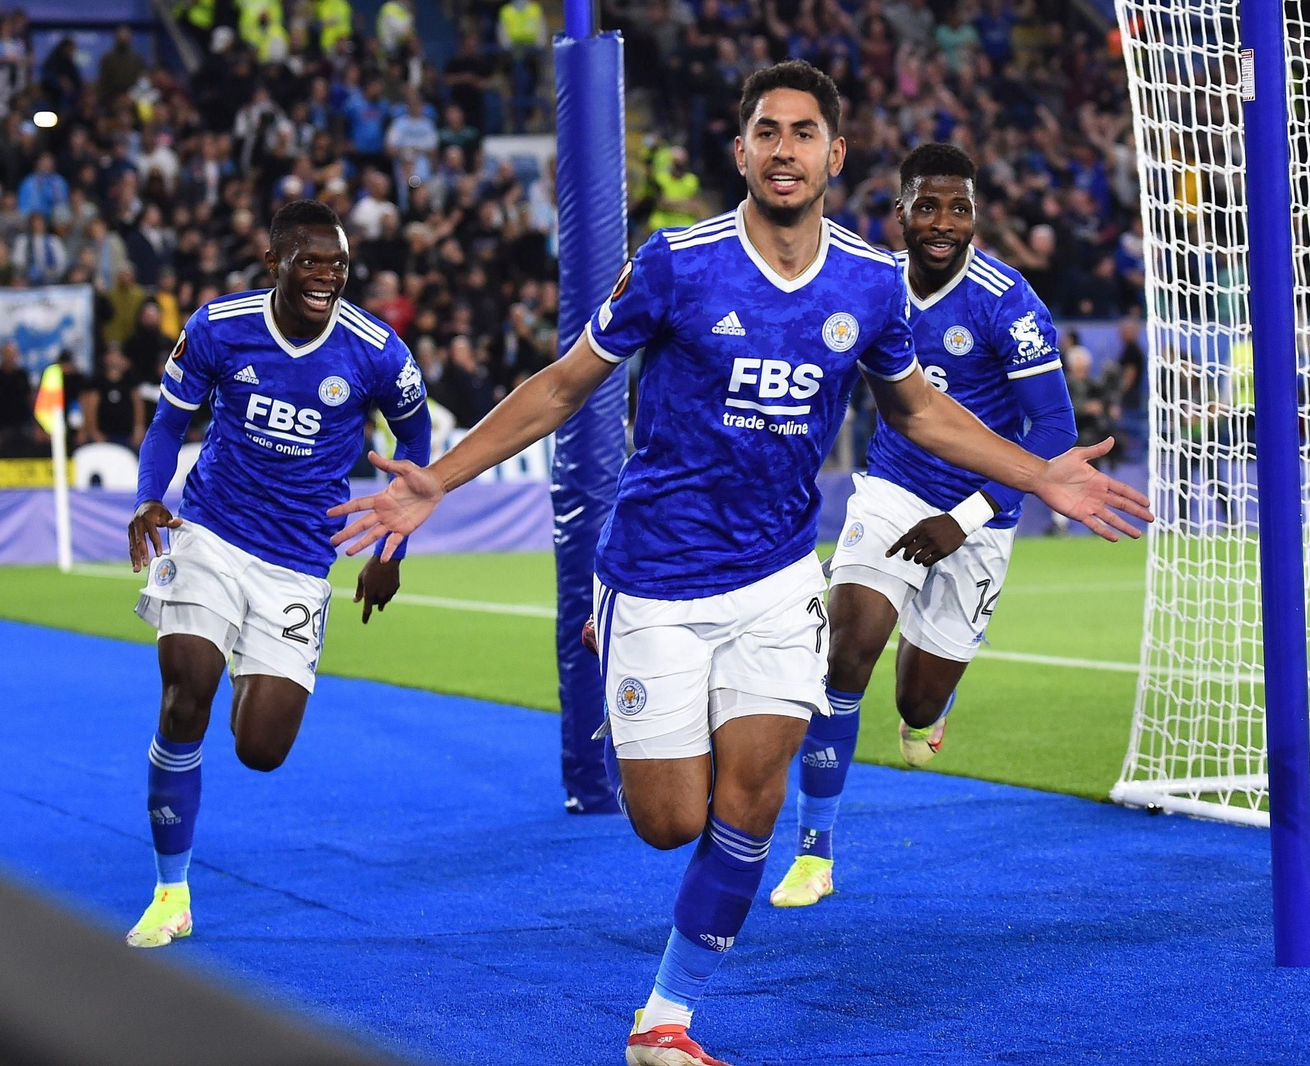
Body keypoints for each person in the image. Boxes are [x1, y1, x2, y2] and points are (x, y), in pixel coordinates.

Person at [328, 62, 1150, 1064]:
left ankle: (664, 1019)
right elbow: (563, 385)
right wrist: (439, 479)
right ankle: (638, 679)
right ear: (740, 151)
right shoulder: (677, 262)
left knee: (752, 798)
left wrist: (1036, 474)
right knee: (670, 821)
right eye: (767, 131)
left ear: (834, 155)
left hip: (777, 576)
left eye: (803, 133)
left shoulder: (869, 281)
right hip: (655, 572)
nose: (783, 148)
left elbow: (920, 410)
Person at [768, 143, 1079, 910]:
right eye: (929, 206)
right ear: (900, 213)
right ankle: (813, 853)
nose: (944, 222)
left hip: (984, 510)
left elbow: (1054, 429)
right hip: (893, 488)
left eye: (959, 208)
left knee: (914, 701)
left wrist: (964, 518)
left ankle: (928, 711)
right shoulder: (872, 286)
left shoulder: (1007, 302)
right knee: (846, 650)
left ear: (975, 216)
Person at [122, 201, 430, 949]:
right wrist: (148, 498)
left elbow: (416, 437)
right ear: (274, 264)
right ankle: (171, 892)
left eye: (338, 264)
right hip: (211, 533)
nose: (327, 276)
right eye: (310, 261)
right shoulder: (218, 326)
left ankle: (246, 660)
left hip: (297, 562)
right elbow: (168, 424)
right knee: (184, 693)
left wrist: (391, 549)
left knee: (260, 748)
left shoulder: (376, 351)